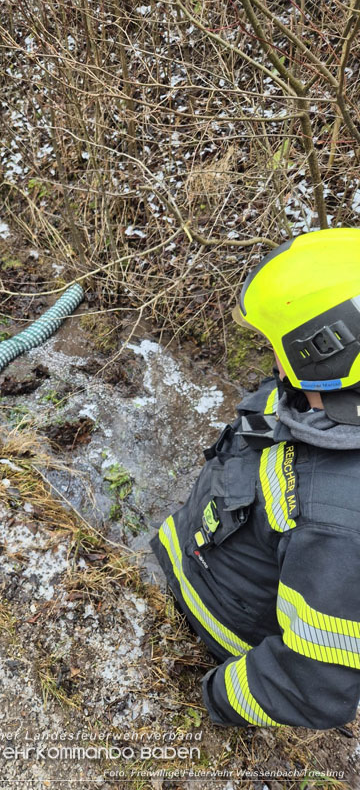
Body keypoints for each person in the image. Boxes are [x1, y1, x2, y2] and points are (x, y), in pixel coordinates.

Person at [151, 228, 360, 728]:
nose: (272, 362)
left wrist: (211, 698)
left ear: (324, 349)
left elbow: (312, 686)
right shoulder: (310, 399)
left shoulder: (341, 523)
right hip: (194, 557)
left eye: (276, 345)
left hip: (216, 633)